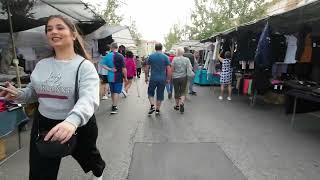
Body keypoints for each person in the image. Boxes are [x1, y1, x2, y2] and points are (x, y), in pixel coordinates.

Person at [0, 15, 105, 180]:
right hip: (44, 125)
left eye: (59, 27)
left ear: (73, 34)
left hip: (78, 124)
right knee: (40, 173)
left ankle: (98, 174)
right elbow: (32, 94)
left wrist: (72, 121)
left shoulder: (84, 66)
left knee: (90, 159)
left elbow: (89, 98)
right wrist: (17, 94)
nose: (53, 31)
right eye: (49, 29)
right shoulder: (42, 65)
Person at [145, 43, 171, 115]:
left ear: (155, 48)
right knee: (160, 94)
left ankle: (152, 105)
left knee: (150, 92)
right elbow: (169, 69)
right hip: (162, 78)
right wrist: (168, 79)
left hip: (153, 78)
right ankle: (157, 110)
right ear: (161, 48)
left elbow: (147, 68)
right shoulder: (166, 57)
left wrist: (146, 77)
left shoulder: (151, 56)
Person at [101, 42, 127, 114]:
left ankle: (113, 104)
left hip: (110, 76)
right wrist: (126, 77)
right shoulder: (121, 56)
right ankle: (114, 107)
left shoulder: (107, 55)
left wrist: (110, 69)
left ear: (111, 48)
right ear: (117, 48)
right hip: (118, 76)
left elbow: (102, 65)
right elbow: (124, 68)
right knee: (116, 92)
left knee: (112, 91)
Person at [171, 47, 192, 114]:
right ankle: (182, 103)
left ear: (177, 52)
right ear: (183, 52)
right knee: (183, 91)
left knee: (176, 91)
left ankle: (177, 106)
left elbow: (172, 69)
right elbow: (190, 68)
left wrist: (171, 76)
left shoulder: (174, 59)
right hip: (184, 77)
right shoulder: (187, 59)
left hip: (175, 77)